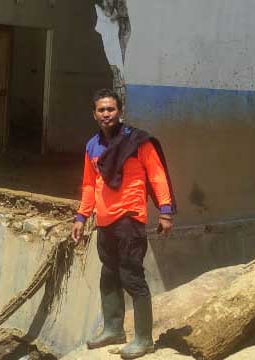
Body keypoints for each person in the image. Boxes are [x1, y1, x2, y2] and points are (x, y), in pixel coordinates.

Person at [71, 88, 176, 360]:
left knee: (132, 277)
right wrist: (82, 216)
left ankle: (144, 339)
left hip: (130, 219)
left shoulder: (138, 142)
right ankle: (113, 329)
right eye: (101, 110)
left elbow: (157, 176)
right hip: (104, 220)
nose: (106, 114)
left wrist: (166, 212)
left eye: (111, 109)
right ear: (94, 114)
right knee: (109, 275)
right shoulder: (92, 146)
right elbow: (89, 184)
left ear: (120, 112)